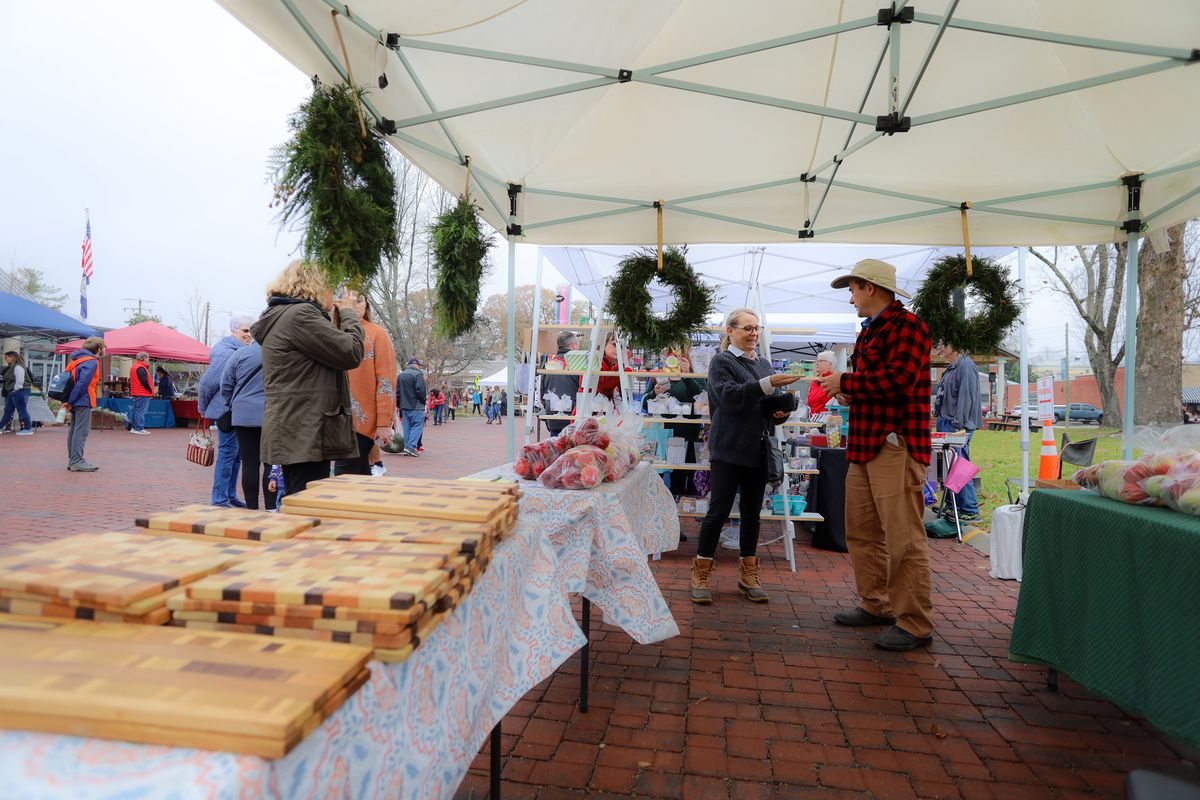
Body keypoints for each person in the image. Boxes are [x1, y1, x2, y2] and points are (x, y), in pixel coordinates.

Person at [816, 258, 934, 652]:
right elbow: (876, 384)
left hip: (895, 446)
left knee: (903, 539)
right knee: (862, 533)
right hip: (866, 445)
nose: (850, 299)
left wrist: (845, 381)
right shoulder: (871, 331)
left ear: (869, 287)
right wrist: (848, 392)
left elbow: (899, 379)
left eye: (851, 289)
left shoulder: (909, 326)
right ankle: (877, 604)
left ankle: (915, 623)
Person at [691, 308, 802, 605]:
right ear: (730, 330)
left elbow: (763, 410)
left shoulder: (764, 364)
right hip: (728, 448)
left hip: (758, 448)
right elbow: (729, 398)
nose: (753, 333)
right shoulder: (721, 362)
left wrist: (779, 411)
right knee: (718, 512)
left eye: (757, 328)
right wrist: (768, 385)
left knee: (753, 515)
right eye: (747, 328)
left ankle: (748, 574)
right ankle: (701, 572)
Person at [252, 260, 364, 495]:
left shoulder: (284, 315)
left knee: (297, 501)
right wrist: (349, 314)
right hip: (304, 430)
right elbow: (351, 352)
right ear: (315, 285)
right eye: (329, 286)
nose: (332, 293)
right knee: (306, 505)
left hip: (296, 427)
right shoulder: (300, 316)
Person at [333, 292, 396, 476]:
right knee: (358, 477)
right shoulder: (332, 333)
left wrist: (384, 422)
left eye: (358, 300)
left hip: (362, 423)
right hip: (336, 421)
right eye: (348, 299)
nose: (353, 304)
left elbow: (386, 380)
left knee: (343, 478)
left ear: (366, 303)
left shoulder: (377, 334)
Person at [198, 314, 255, 507]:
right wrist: (202, 407)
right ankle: (220, 498)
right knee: (228, 454)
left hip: (234, 411)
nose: (249, 335)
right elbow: (208, 383)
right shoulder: (226, 352)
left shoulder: (238, 350)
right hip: (226, 411)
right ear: (233, 331)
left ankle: (229, 495)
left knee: (236, 455)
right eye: (245, 331)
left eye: (251, 330)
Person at [219, 338, 273, 510]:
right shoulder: (281, 352)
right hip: (272, 414)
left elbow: (225, 384)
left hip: (244, 416)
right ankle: (271, 507)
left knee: (249, 463)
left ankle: (251, 507)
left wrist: (233, 403)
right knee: (271, 463)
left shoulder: (241, 354)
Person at [934, 342, 982, 521]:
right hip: (945, 421)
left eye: (940, 344)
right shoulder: (951, 368)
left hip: (957, 425)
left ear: (952, 344)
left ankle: (970, 509)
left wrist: (959, 425)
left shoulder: (965, 365)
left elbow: (967, 397)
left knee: (959, 465)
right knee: (946, 466)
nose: (937, 348)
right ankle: (951, 505)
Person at [64, 336, 105, 471]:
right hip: (83, 399)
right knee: (81, 431)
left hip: (75, 399)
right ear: (98, 348)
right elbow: (83, 383)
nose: (104, 350)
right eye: (103, 347)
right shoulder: (92, 362)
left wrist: (70, 401)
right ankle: (76, 460)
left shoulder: (77, 360)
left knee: (74, 429)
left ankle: (73, 459)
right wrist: (72, 400)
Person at [543, 331, 581, 436]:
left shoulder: (548, 364)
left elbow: (542, 392)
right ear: (573, 346)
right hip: (573, 418)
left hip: (552, 418)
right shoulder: (578, 364)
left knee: (555, 449)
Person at [396, 357, 428, 458]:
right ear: (415, 365)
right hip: (416, 406)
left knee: (407, 427)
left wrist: (399, 404)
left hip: (404, 406)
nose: (419, 367)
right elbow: (421, 391)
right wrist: (423, 401)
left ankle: (407, 447)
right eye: (419, 365)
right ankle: (411, 447)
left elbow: (397, 392)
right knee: (417, 426)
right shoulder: (418, 374)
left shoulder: (400, 375)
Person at [1, 351, 34, 436]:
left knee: (22, 410)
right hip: (15, 392)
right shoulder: (12, 367)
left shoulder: (18, 367)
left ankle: (28, 429)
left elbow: (20, 381)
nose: (5, 359)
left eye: (6, 358)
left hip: (19, 391)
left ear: (11, 357)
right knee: (8, 411)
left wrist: (15, 390)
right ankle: (0, 427)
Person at [127, 351, 155, 435]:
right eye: (148, 358)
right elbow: (143, 381)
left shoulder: (135, 366)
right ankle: (139, 428)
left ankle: (134, 427)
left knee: (136, 410)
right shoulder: (141, 367)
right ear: (144, 358)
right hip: (142, 393)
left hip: (137, 392)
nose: (148, 359)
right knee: (141, 411)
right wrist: (150, 389)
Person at [807, 350, 836, 416]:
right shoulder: (814, 381)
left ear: (830, 364)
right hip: (812, 421)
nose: (817, 363)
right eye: (816, 361)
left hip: (827, 422)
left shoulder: (834, 381)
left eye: (821, 361)